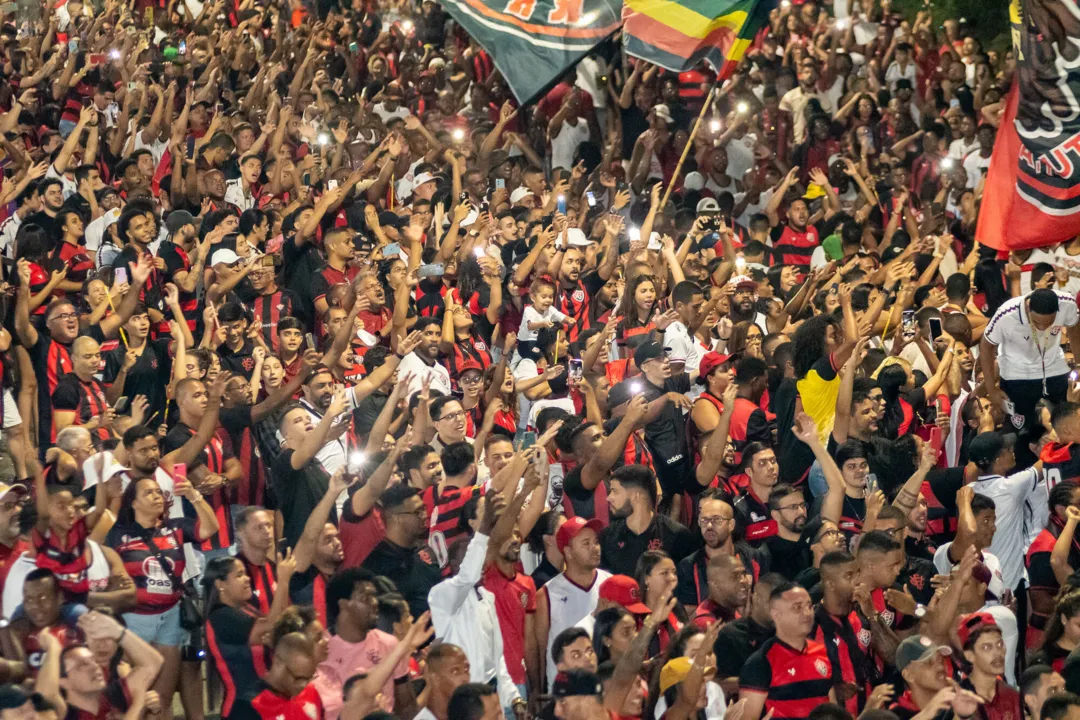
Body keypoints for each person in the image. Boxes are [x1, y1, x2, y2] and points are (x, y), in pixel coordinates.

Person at [535, 516, 612, 691]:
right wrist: (538, 690)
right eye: (586, 543)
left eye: (596, 542)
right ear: (568, 552)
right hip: (564, 693)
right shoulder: (547, 594)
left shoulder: (610, 584)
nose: (595, 548)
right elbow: (540, 650)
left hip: (603, 690)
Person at [599, 464, 695, 576]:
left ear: (636, 495)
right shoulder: (607, 537)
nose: (608, 497)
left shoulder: (677, 535)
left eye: (615, 491)